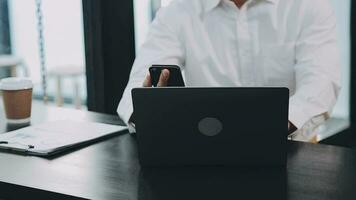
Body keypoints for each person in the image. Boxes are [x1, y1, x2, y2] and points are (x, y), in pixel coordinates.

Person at [117, 0, 341, 142]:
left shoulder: (309, 5)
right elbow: (134, 91)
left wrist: (274, 124)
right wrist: (148, 110)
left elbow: (321, 82)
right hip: (201, 150)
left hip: (289, 148)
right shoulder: (177, 11)